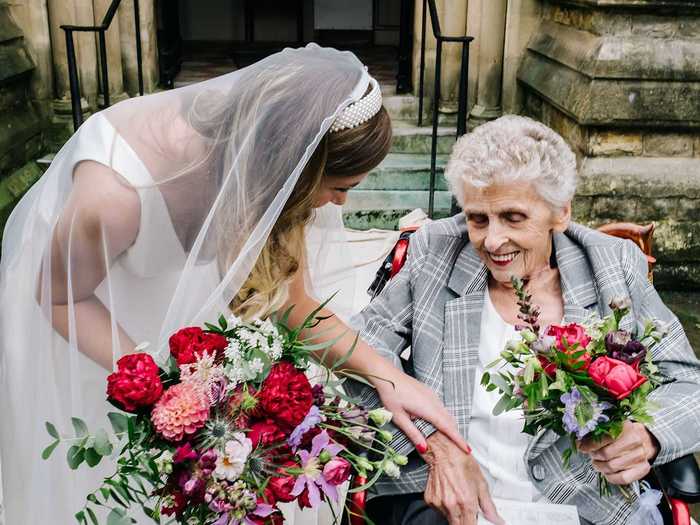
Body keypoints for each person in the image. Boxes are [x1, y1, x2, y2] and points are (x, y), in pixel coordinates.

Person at [0, 44, 468, 524]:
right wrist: (162, 388)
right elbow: (59, 297)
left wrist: (388, 378)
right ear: (293, 165)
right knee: (115, 493)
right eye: (340, 187)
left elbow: (291, 303)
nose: (339, 206)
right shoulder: (113, 197)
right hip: (88, 327)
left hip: (184, 339)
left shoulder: (265, 179)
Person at [347, 115, 700, 525]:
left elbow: (688, 382)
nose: (492, 241)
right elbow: (355, 357)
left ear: (560, 213)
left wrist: (647, 435)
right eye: (478, 218)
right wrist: (434, 445)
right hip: (448, 502)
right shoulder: (434, 253)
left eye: (513, 217)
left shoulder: (613, 265)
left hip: (582, 504)